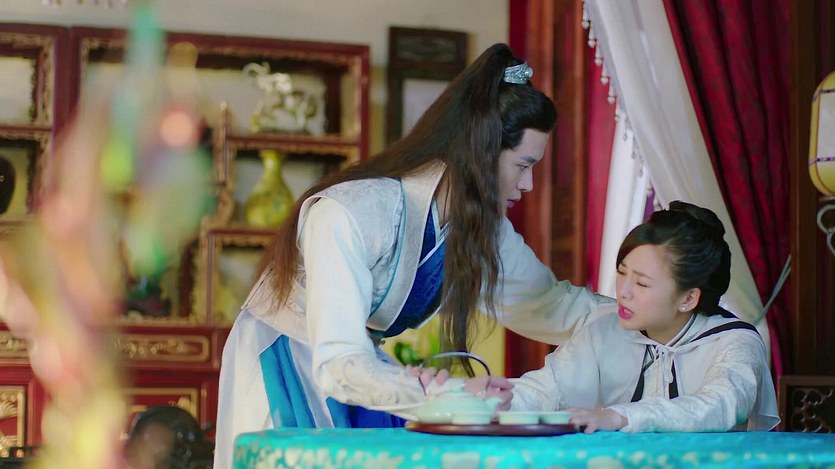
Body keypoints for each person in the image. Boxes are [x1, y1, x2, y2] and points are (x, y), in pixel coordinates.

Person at [214, 43, 613, 467]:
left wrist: (638, 316)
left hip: (363, 372)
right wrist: (445, 395)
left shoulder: (482, 231)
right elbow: (337, 361)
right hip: (289, 360)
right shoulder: (351, 212)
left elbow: (553, 307)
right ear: (481, 151)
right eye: (523, 165)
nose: (528, 184)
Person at [487, 201, 780, 433]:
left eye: (641, 283)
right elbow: (546, 389)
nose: (623, 292)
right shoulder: (606, 329)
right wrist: (493, 400)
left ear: (688, 298)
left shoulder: (734, 342)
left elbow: (721, 404)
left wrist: (622, 417)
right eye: (621, 272)